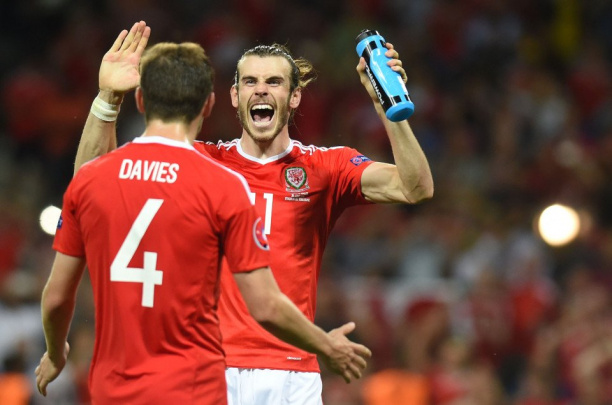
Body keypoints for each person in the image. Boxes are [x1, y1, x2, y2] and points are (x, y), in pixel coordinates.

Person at [75, 21, 433, 405]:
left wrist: (387, 107)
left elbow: (415, 187)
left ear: (294, 97)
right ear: (234, 96)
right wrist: (107, 100)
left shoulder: (326, 167)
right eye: (250, 82)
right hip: (209, 366)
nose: (261, 89)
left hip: (292, 374)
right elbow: (90, 181)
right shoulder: (200, 161)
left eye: (274, 82)